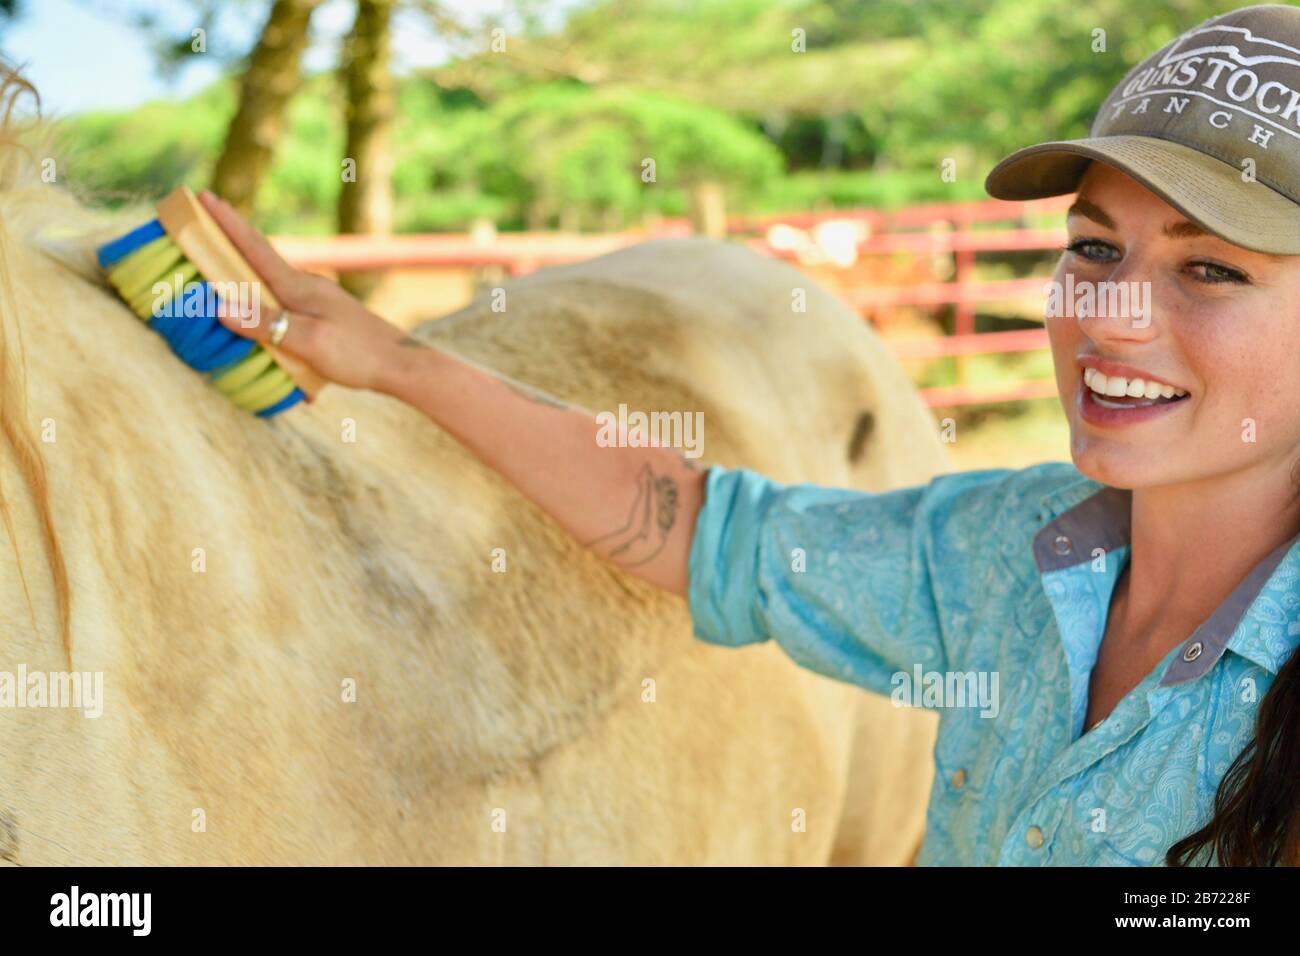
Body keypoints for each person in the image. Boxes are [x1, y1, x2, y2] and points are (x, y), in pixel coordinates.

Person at [197, 3, 1300, 866]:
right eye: (1094, 250)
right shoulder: (1005, 554)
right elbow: (712, 531)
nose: (1109, 314)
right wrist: (397, 364)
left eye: (1210, 268)